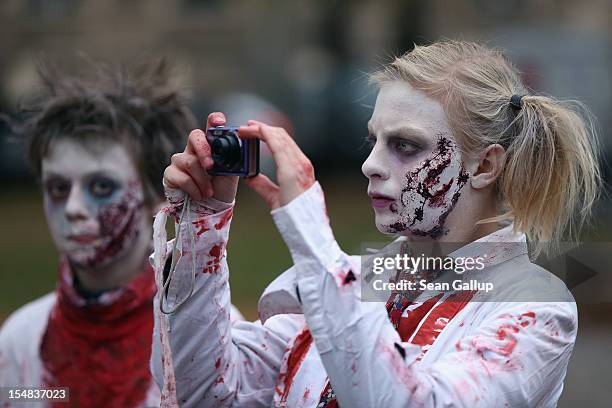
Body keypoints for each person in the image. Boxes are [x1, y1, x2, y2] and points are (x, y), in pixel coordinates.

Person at [152, 40, 601, 407]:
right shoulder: (355, 281)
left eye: (404, 145)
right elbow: (204, 393)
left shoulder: (535, 308)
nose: (370, 165)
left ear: (484, 165)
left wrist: (311, 231)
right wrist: (202, 229)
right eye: (374, 141)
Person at [0, 60, 244, 408]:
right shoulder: (20, 345)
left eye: (101, 186)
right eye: (57, 187)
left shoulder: (212, 335)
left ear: (157, 198)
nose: (72, 207)